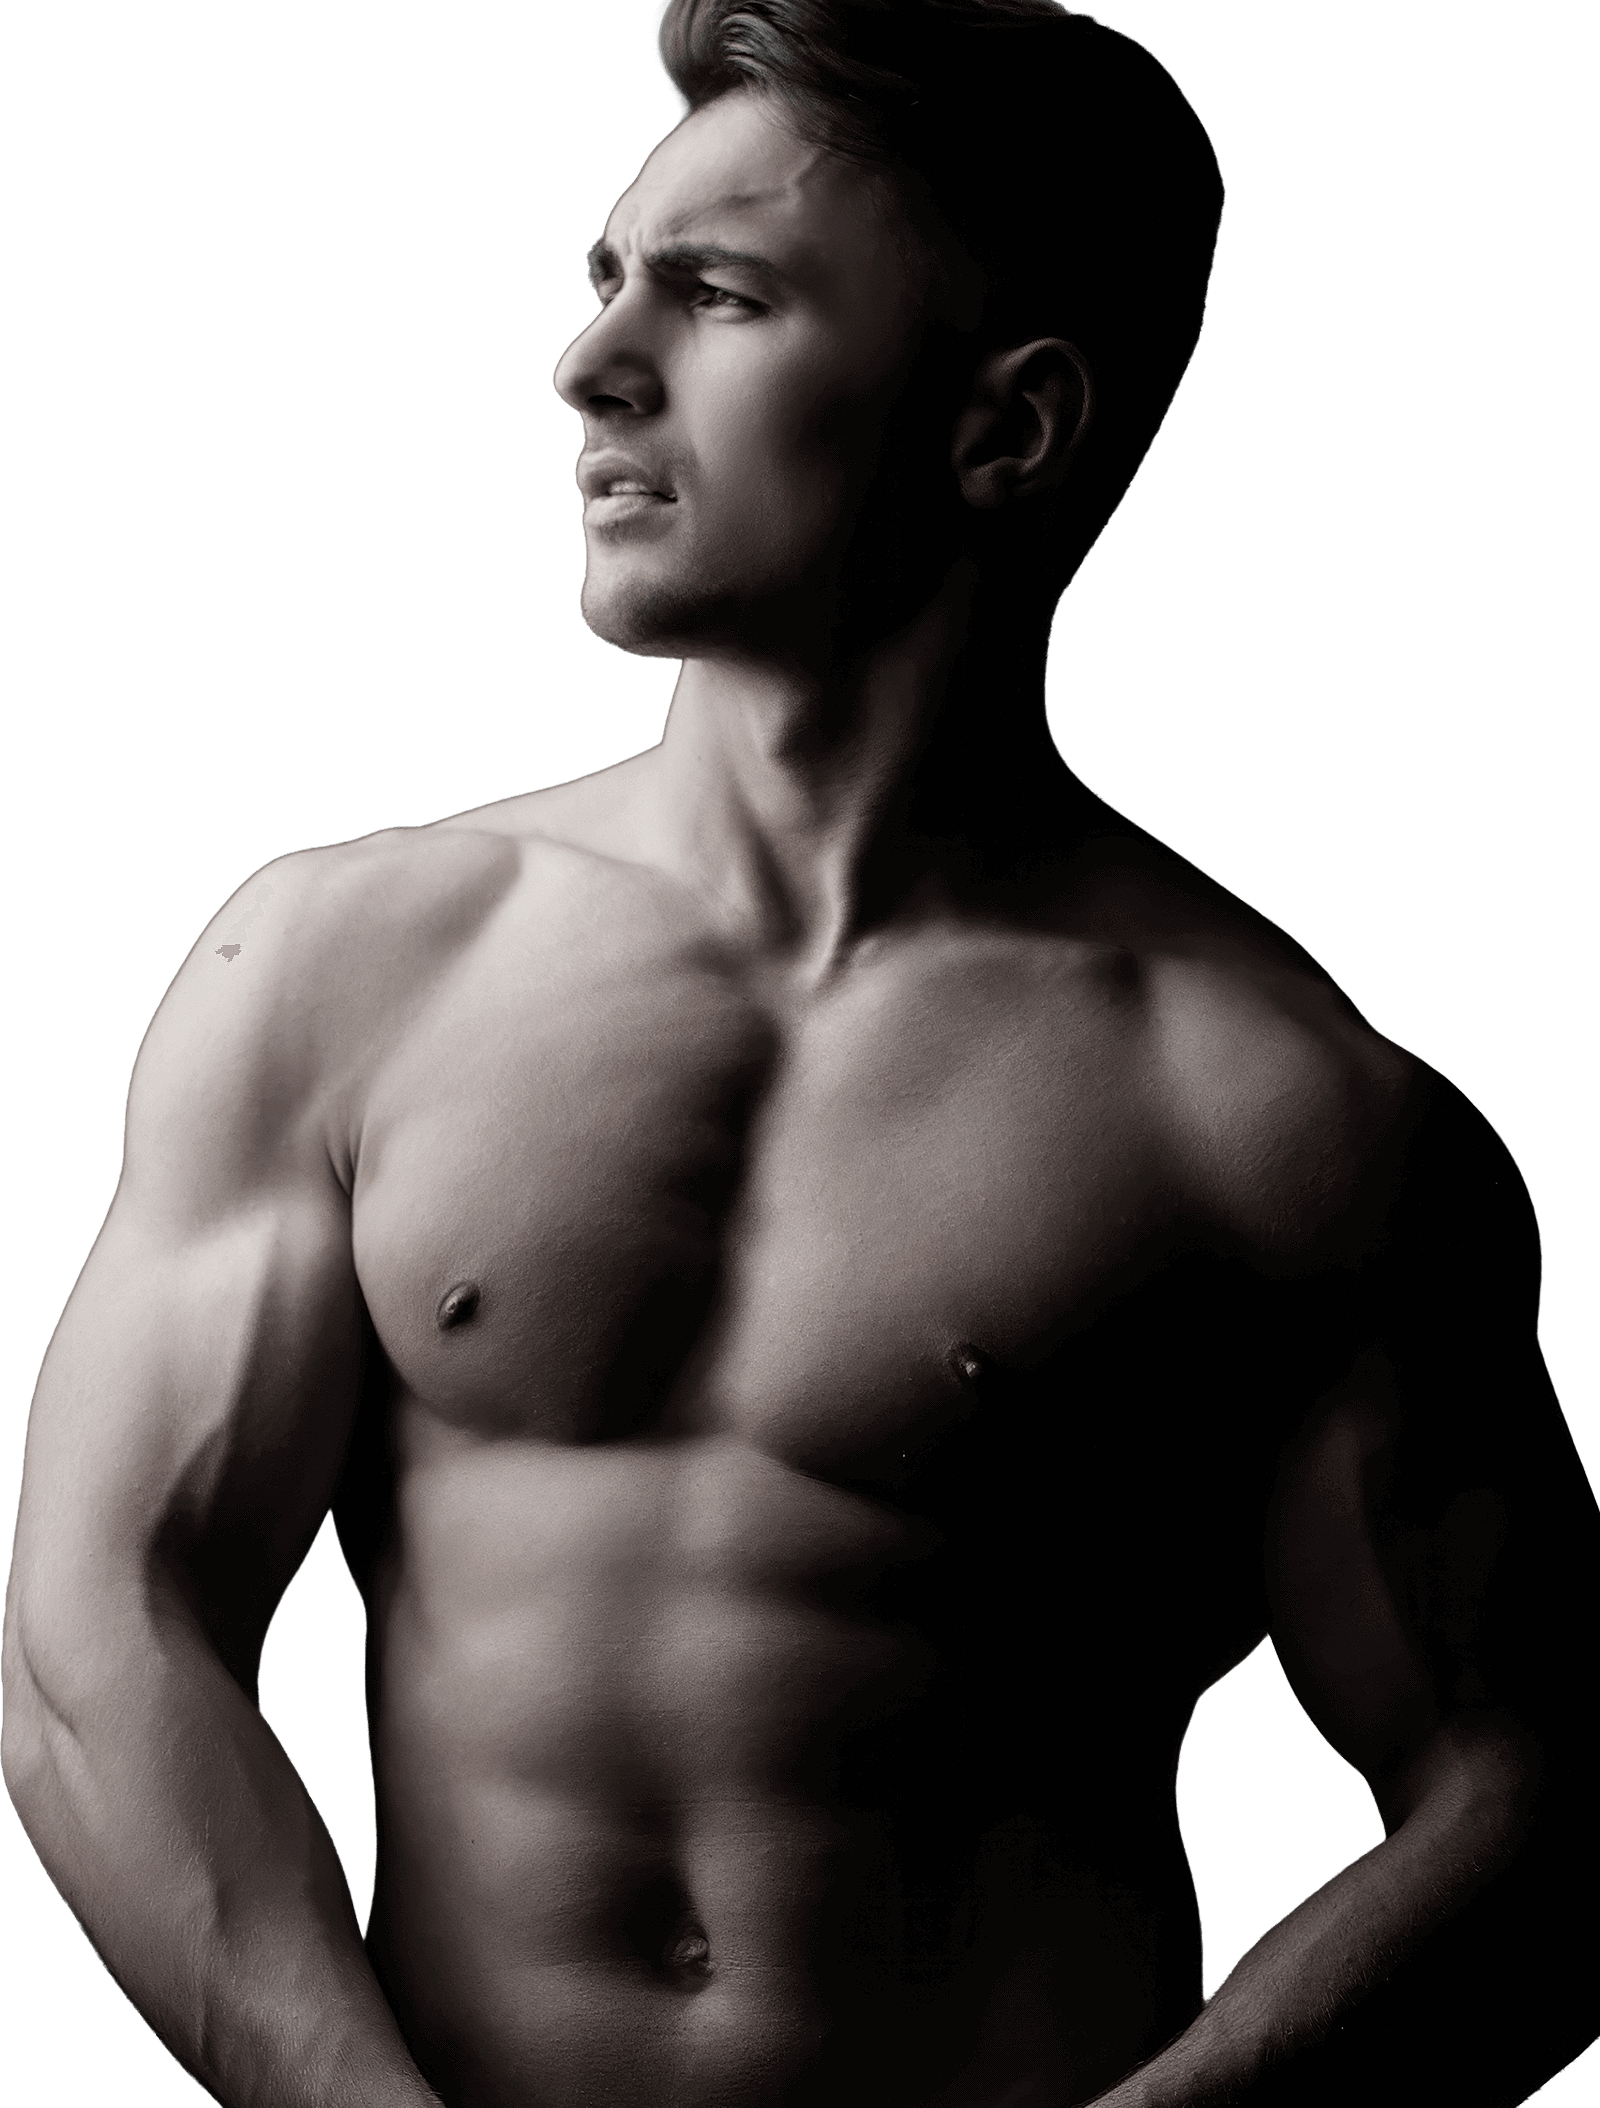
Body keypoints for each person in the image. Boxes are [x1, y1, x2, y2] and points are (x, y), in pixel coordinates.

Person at [5, 3, 1595, 2103]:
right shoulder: (336, 962)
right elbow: (102, 1633)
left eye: (719, 294)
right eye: (604, 286)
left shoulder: (1266, 1111)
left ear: (1004, 426)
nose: (589, 367)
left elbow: (1536, 1799)